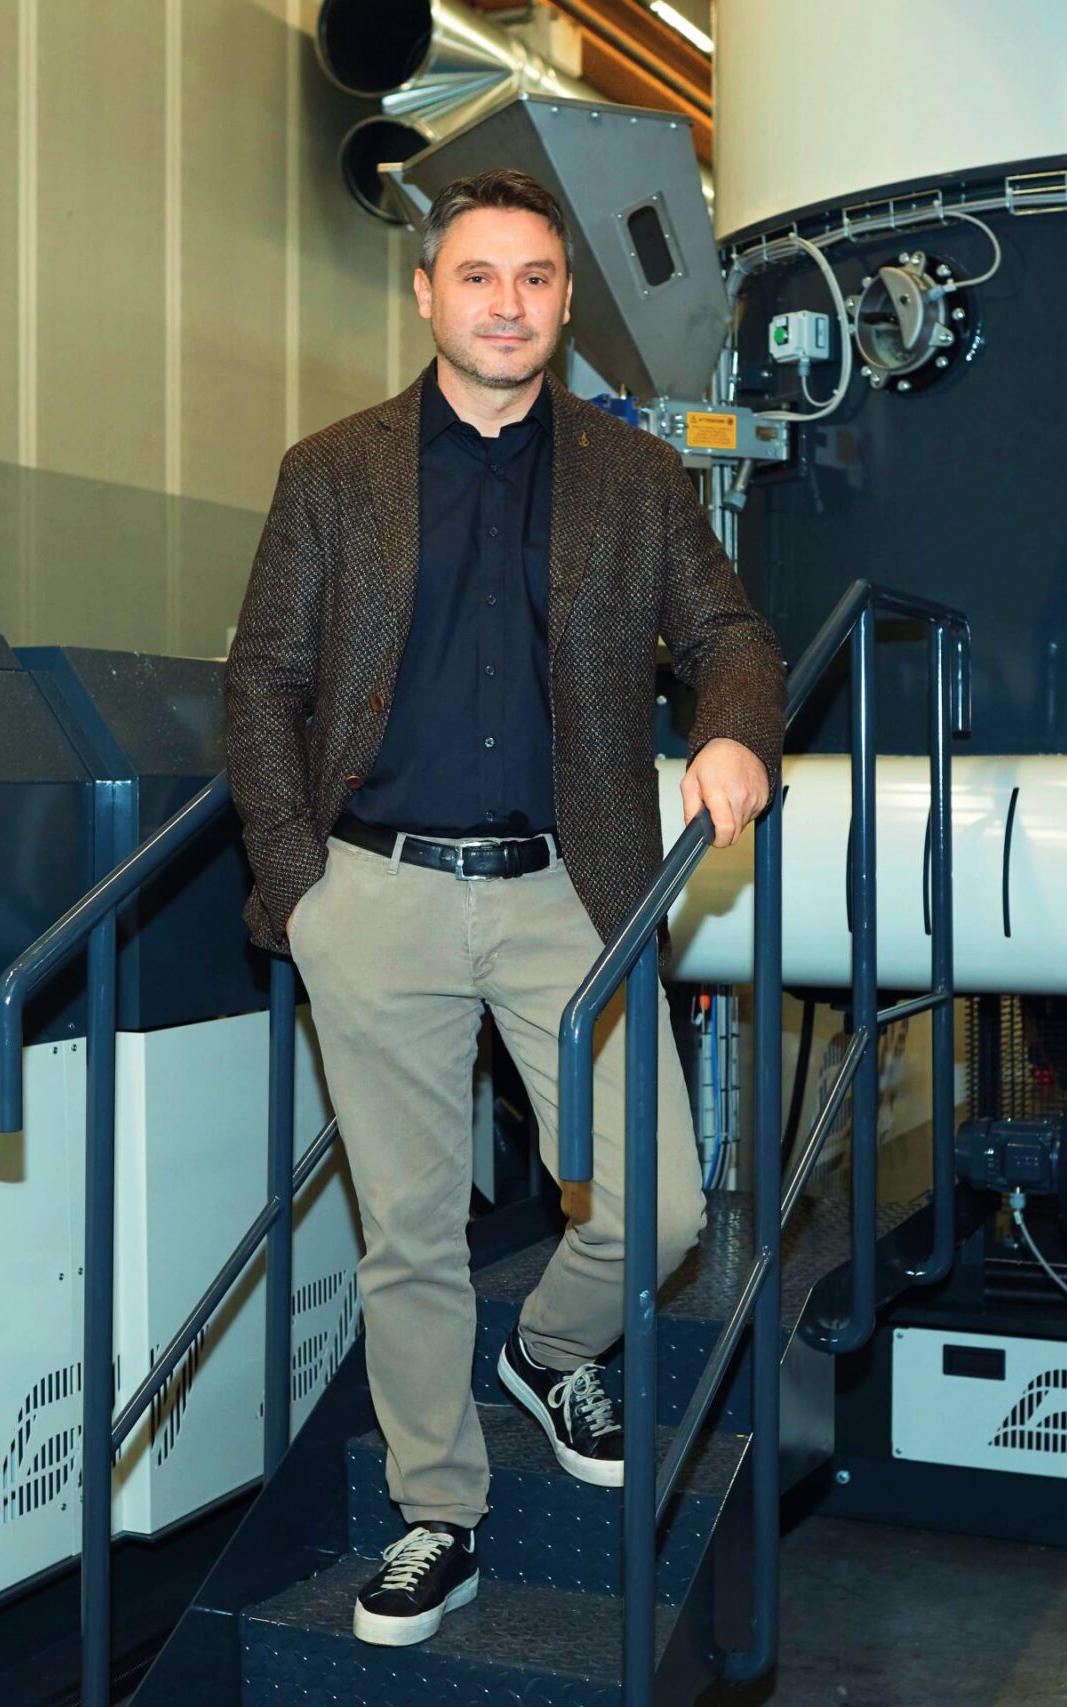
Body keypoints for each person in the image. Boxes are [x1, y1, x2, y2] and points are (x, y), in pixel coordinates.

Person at [221, 166, 785, 1647]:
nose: (508, 304)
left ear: (564, 301)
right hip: (375, 894)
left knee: (659, 1204)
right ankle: (438, 1517)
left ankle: (548, 1345)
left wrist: (734, 729)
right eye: (478, 275)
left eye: (535, 278)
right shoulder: (331, 471)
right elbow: (264, 683)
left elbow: (730, 635)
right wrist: (301, 887)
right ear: (427, 294)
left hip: (566, 891)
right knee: (409, 1234)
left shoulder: (632, 479)